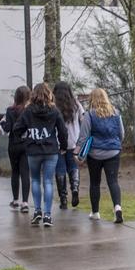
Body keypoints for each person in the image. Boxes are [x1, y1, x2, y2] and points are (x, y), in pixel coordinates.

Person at [12, 82, 68, 227]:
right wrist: (63, 146)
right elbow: (62, 131)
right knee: (48, 181)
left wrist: (26, 139)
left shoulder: (28, 111)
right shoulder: (54, 110)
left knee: (35, 180)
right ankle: (48, 215)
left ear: (34, 94)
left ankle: (37, 211)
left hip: (33, 150)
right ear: (49, 94)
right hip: (51, 150)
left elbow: (17, 129)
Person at [75, 88, 125, 223]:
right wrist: (116, 144)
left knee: (95, 182)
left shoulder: (90, 115)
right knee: (113, 181)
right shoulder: (115, 112)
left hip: (95, 154)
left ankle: (95, 212)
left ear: (92, 99)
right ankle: (118, 208)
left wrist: (78, 153)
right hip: (113, 152)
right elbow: (121, 134)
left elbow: (84, 136)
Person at [52, 81, 83, 210]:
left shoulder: (53, 106)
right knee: (73, 167)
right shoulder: (76, 105)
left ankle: (63, 198)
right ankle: (75, 189)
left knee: (60, 169)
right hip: (74, 142)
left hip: (58, 143)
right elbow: (83, 119)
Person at [2, 85, 31, 213]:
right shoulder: (29, 111)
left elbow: (7, 128)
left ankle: (15, 200)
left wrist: (2, 121)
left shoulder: (10, 110)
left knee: (15, 172)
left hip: (13, 145)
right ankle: (25, 202)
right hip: (26, 144)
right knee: (25, 173)